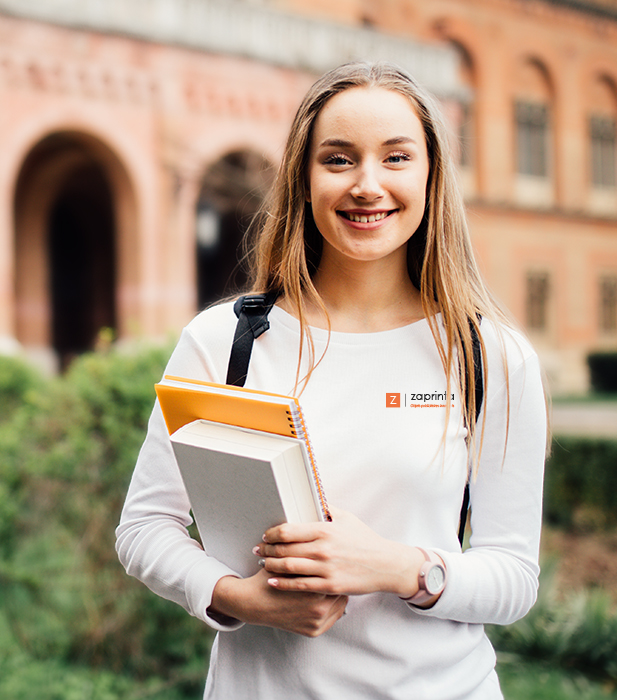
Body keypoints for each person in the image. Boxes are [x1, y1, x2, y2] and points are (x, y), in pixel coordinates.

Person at [116, 61, 548, 699]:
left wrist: (398, 568)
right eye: (339, 159)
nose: (367, 185)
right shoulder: (224, 342)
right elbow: (145, 527)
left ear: (431, 177)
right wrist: (238, 599)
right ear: (303, 179)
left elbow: (513, 577)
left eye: (397, 158)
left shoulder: (488, 355)